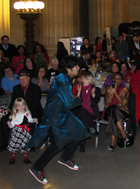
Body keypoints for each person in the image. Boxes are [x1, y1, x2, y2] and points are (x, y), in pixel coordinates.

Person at [26, 56, 89, 184]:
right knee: (56, 145)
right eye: (76, 66)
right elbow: (71, 103)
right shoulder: (62, 79)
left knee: (79, 131)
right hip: (54, 117)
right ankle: (37, 168)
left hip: (63, 114)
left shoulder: (66, 78)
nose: (78, 68)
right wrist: (79, 98)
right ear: (69, 68)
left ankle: (65, 158)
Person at [72, 71, 101, 152]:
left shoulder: (96, 89)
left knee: (82, 120)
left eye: (83, 78)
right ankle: (91, 127)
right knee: (81, 112)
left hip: (91, 114)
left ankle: (82, 145)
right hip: (81, 113)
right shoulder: (80, 88)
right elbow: (76, 102)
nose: (81, 80)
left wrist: (92, 94)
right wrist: (78, 93)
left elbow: (95, 102)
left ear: (88, 79)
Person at [101, 72, 130, 152]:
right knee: (113, 109)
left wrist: (115, 93)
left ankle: (113, 142)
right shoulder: (108, 89)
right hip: (109, 110)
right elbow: (106, 104)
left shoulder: (125, 89)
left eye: (118, 78)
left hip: (122, 110)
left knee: (113, 114)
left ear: (121, 80)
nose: (116, 80)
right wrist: (110, 95)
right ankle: (123, 132)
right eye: (114, 78)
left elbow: (123, 103)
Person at [7, 98, 38, 165]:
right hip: (17, 131)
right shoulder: (14, 114)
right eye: (19, 105)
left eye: (22, 105)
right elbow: (12, 125)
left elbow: (30, 120)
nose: (21, 107)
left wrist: (34, 120)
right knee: (15, 143)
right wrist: (9, 124)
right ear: (16, 107)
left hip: (25, 130)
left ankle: (25, 157)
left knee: (25, 143)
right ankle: (13, 156)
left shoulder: (27, 113)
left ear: (25, 105)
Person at [127, 60, 140, 135]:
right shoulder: (133, 72)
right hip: (134, 89)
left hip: (138, 90)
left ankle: (135, 120)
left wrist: (131, 81)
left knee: (137, 104)